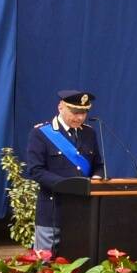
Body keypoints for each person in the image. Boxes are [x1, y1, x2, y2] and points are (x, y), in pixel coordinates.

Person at [26, 90, 104, 252]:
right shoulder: (41, 133)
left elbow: (98, 164)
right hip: (53, 210)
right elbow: (36, 170)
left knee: (79, 261)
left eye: (84, 112)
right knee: (45, 266)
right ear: (61, 107)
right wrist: (68, 185)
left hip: (83, 210)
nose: (80, 117)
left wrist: (97, 177)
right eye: (75, 112)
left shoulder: (89, 133)